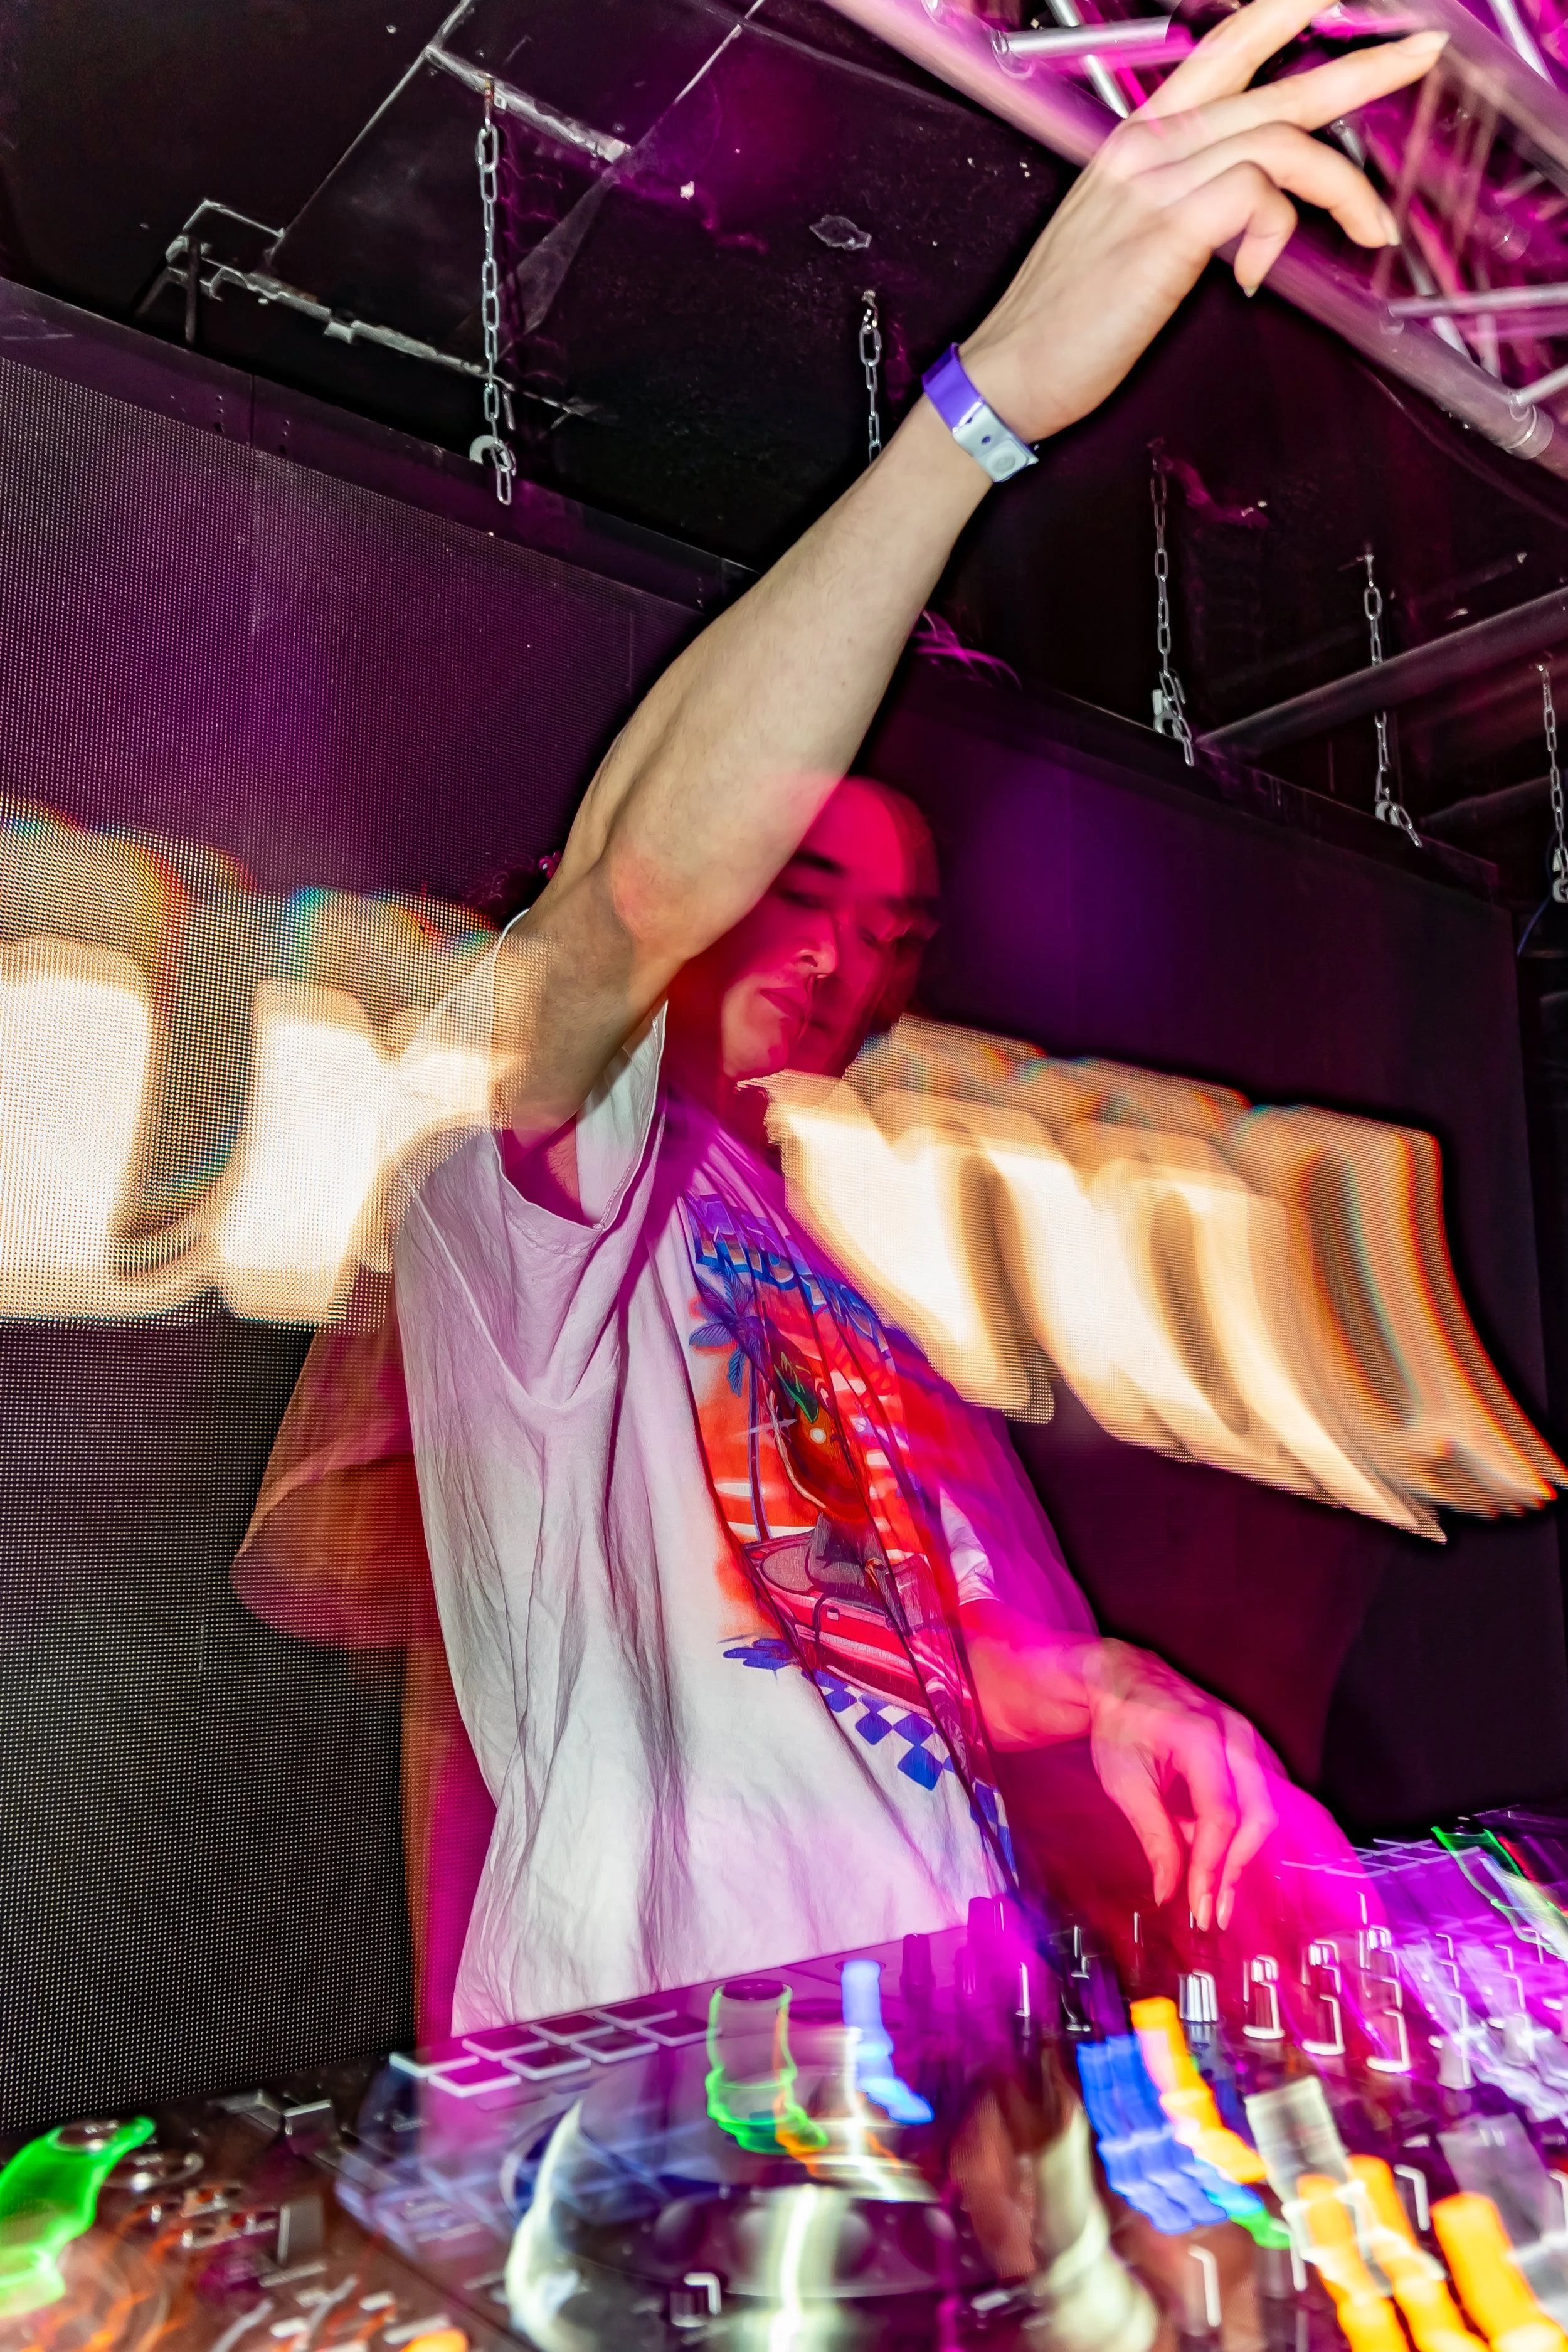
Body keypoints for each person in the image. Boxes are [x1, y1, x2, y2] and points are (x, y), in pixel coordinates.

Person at [242, 0, 1440, 2036]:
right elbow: (626, 896)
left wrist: (1094, 1685)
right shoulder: (513, 1185)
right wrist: (976, 418)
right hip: (689, 2141)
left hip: (944, 2097)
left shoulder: (809, 1271)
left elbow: (844, 1634)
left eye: (900, 925)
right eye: (803, 881)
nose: (856, 956)